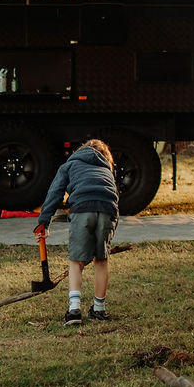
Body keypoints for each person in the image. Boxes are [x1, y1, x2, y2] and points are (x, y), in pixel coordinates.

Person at [33, 138, 120, 325]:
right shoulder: (106, 169)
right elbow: (113, 198)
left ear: (81, 151)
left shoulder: (70, 164)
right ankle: (99, 309)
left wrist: (44, 222)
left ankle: (74, 311)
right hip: (108, 210)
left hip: (82, 208)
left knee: (75, 261)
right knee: (101, 260)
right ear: (106, 156)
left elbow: (55, 193)